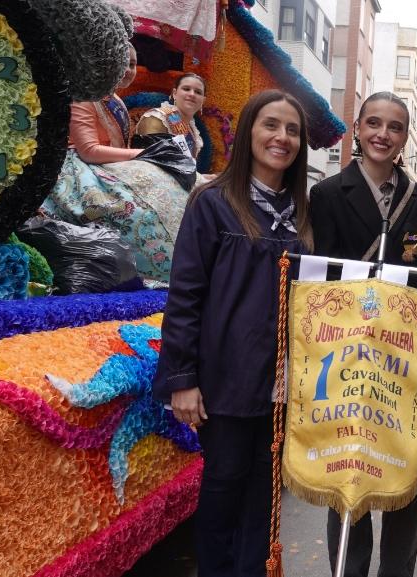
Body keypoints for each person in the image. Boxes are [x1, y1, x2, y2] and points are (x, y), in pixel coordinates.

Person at [153, 90, 312, 577]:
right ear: (248, 132)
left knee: (265, 496)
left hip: (284, 385)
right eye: (271, 125)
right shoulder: (214, 203)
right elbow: (185, 295)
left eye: (292, 130)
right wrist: (182, 378)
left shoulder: (304, 213)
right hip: (227, 380)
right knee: (224, 488)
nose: (281, 138)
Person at [308, 91, 417, 577]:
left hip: (407, 364)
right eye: (373, 123)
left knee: (405, 479)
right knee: (349, 476)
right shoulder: (327, 195)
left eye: (394, 126)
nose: (382, 134)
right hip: (346, 363)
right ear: (357, 128)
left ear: (406, 136)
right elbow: (318, 283)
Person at [44, 44, 191, 282]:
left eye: (132, 64)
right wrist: (145, 154)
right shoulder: (83, 96)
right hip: (78, 171)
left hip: (106, 166)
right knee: (133, 211)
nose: (128, 70)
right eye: (122, 62)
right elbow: (88, 151)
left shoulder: (117, 101)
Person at [135, 72, 207, 158]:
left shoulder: (192, 128)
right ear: (174, 93)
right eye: (186, 89)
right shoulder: (157, 119)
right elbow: (151, 160)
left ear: (203, 100)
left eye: (198, 92)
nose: (192, 94)